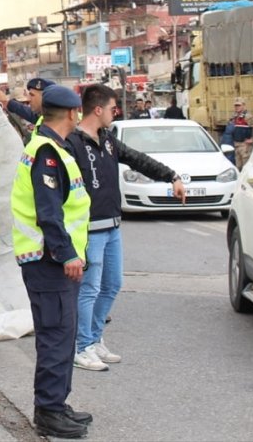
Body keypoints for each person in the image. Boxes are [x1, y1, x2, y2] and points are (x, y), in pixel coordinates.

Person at [67, 84, 186, 372]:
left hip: (112, 226)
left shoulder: (108, 139)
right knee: (90, 288)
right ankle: (82, 346)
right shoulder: (71, 143)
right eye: (111, 108)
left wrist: (171, 176)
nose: (114, 113)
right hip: (89, 229)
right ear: (98, 109)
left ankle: (94, 339)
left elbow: (137, 159)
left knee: (112, 285)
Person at [9, 84, 93, 439]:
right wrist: (67, 253)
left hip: (52, 260)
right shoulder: (47, 152)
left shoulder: (51, 146)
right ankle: (49, 411)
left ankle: (58, 402)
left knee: (63, 333)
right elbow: (49, 213)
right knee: (56, 335)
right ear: (73, 114)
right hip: (49, 260)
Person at [229, 98, 253, 170]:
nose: (237, 107)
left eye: (239, 105)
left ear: (243, 105)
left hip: (245, 145)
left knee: (245, 166)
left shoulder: (247, 117)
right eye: (235, 106)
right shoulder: (234, 117)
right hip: (236, 144)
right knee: (238, 166)